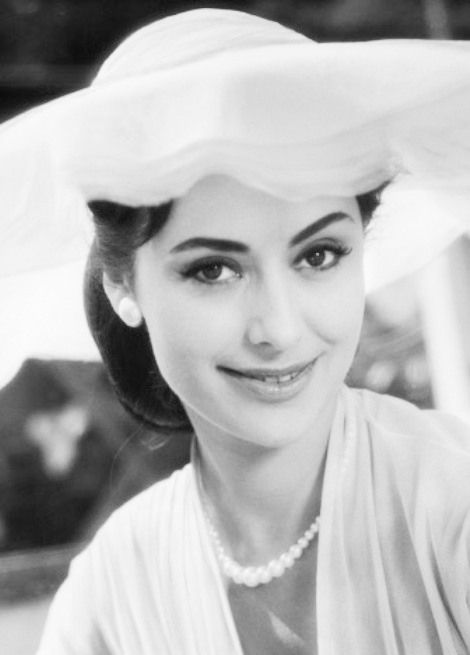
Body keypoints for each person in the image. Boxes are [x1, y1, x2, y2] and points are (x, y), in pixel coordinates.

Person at [1, 8, 470, 655]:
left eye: (319, 255)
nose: (277, 327)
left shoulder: (453, 503)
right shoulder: (112, 593)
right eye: (214, 269)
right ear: (124, 286)